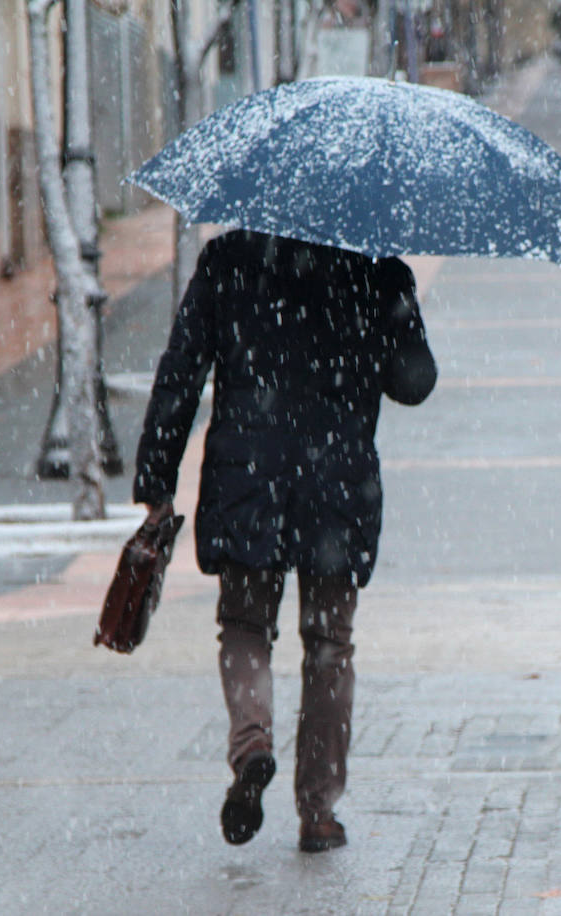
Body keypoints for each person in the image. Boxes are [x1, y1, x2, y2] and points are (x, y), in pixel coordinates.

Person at [133, 230, 437, 852]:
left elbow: (181, 370)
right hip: (337, 482)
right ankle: (319, 814)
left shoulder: (230, 260)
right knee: (330, 643)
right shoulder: (375, 268)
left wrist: (156, 479)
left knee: (245, 625)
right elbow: (413, 382)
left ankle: (252, 745)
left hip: (247, 474)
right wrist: (393, 306)